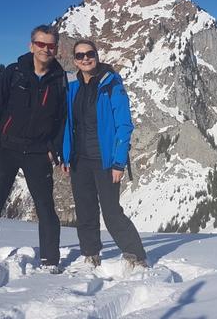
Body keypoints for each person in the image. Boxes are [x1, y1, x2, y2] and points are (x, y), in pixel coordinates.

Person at [0, 25, 66, 273]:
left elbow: (61, 118)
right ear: (31, 46)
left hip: (37, 152)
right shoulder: (14, 73)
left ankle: (50, 261)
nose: (46, 49)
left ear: (56, 48)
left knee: (46, 209)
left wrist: (52, 148)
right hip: (6, 150)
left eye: (51, 45)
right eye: (41, 44)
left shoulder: (59, 78)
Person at [62, 39, 147, 268]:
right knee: (85, 209)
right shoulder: (72, 86)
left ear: (97, 56)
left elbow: (124, 125)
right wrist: (66, 155)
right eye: (80, 56)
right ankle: (91, 253)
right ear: (75, 60)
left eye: (89, 54)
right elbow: (66, 123)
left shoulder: (111, 84)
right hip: (80, 159)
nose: (85, 58)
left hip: (105, 160)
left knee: (111, 211)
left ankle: (136, 255)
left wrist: (119, 162)